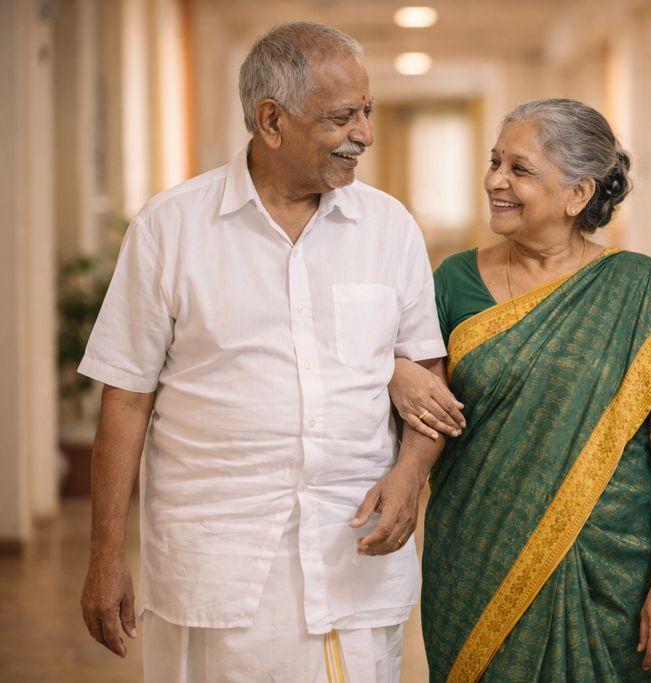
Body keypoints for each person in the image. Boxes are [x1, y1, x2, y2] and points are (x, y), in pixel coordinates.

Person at [77, 21, 455, 683]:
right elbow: (127, 395)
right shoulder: (172, 228)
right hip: (217, 570)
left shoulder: (389, 228)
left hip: (352, 563)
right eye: (342, 117)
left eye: (367, 111)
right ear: (271, 121)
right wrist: (105, 552)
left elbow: (425, 369)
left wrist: (411, 474)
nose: (364, 133)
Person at [389, 98, 651, 682]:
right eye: (494, 163)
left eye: (519, 169)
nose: (495, 181)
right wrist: (393, 367)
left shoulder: (640, 290)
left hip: (614, 572)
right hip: (477, 562)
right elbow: (420, 408)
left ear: (578, 194)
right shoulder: (453, 282)